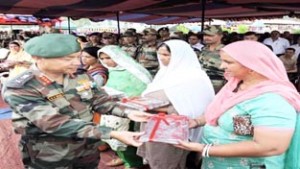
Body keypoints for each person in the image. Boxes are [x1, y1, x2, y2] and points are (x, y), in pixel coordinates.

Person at [2, 34, 152, 169]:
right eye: (68, 59)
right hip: (50, 152)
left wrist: (128, 112)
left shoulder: (80, 75)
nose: (76, 62)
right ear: (37, 58)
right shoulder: (21, 87)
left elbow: (100, 101)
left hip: (87, 147)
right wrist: (112, 133)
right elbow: (54, 123)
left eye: (77, 56)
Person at [176, 41, 300, 169]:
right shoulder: (235, 85)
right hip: (217, 163)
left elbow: (271, 147)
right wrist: (196, 122)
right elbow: (221, 112)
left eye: (228, 62)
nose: (221, 66)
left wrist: (205, 149)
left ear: (252, 66)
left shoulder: (273, 100)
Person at [137, 39, 215, 169]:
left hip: (175, 129)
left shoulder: (195, 77)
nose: (162, 58)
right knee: (156, 159)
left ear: (180, 55)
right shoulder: (164, 73)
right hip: (154, 125)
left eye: (166, 55)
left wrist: (162, 108)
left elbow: (197, 107)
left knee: (172, 160)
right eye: (160, 54)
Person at [98, 45, 152, 169]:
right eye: (103, 58)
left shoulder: (134, 71)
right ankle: (124, 158)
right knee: (116, 137)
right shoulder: (112, 71)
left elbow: (145, 89)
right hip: (114, 110)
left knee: (131, 138)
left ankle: (133, 163)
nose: (106, 61)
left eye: (109, 58)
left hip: (133, 111)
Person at [199, 25, 225, 93]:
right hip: (202, 85)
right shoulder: (203, 50)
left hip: (218, 87)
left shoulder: (226, 51)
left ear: (220, 36)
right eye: (205, 35)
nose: (206, 38)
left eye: (210, 35)